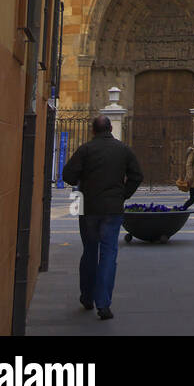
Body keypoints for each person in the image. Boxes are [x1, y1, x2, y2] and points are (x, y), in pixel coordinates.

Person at [61, 114, 142, 321]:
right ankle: (103, 305)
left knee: (89, 251)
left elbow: (68, 176)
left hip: (88, 208)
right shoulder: (123, 150)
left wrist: (85, 178)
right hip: (113, 209)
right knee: (108, 255)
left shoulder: (85, 150)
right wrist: (123, 194)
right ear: (111, 129)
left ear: (93, 131)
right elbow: (137, 176)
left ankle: (87, 297)